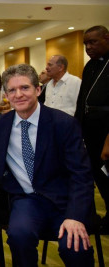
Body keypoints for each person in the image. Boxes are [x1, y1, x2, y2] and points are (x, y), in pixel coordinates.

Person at [0, 64, 94, 266]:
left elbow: (81, 175)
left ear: (38, 90)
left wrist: (76, 216)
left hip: (65, 200)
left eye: (25, 88)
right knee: (18, 236)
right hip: (28, 200)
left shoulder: (63, 123)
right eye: (12, 90)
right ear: (6, 95)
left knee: (74, 247)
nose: (19, 95)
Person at [75, 25, 109, 231]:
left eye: (93, 42)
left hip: (107, 131)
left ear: (107, 38)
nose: (88, 47)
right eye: (86, 43)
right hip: (91, 130)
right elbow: (82, 100)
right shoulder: (90, 66)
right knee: (99, 176)